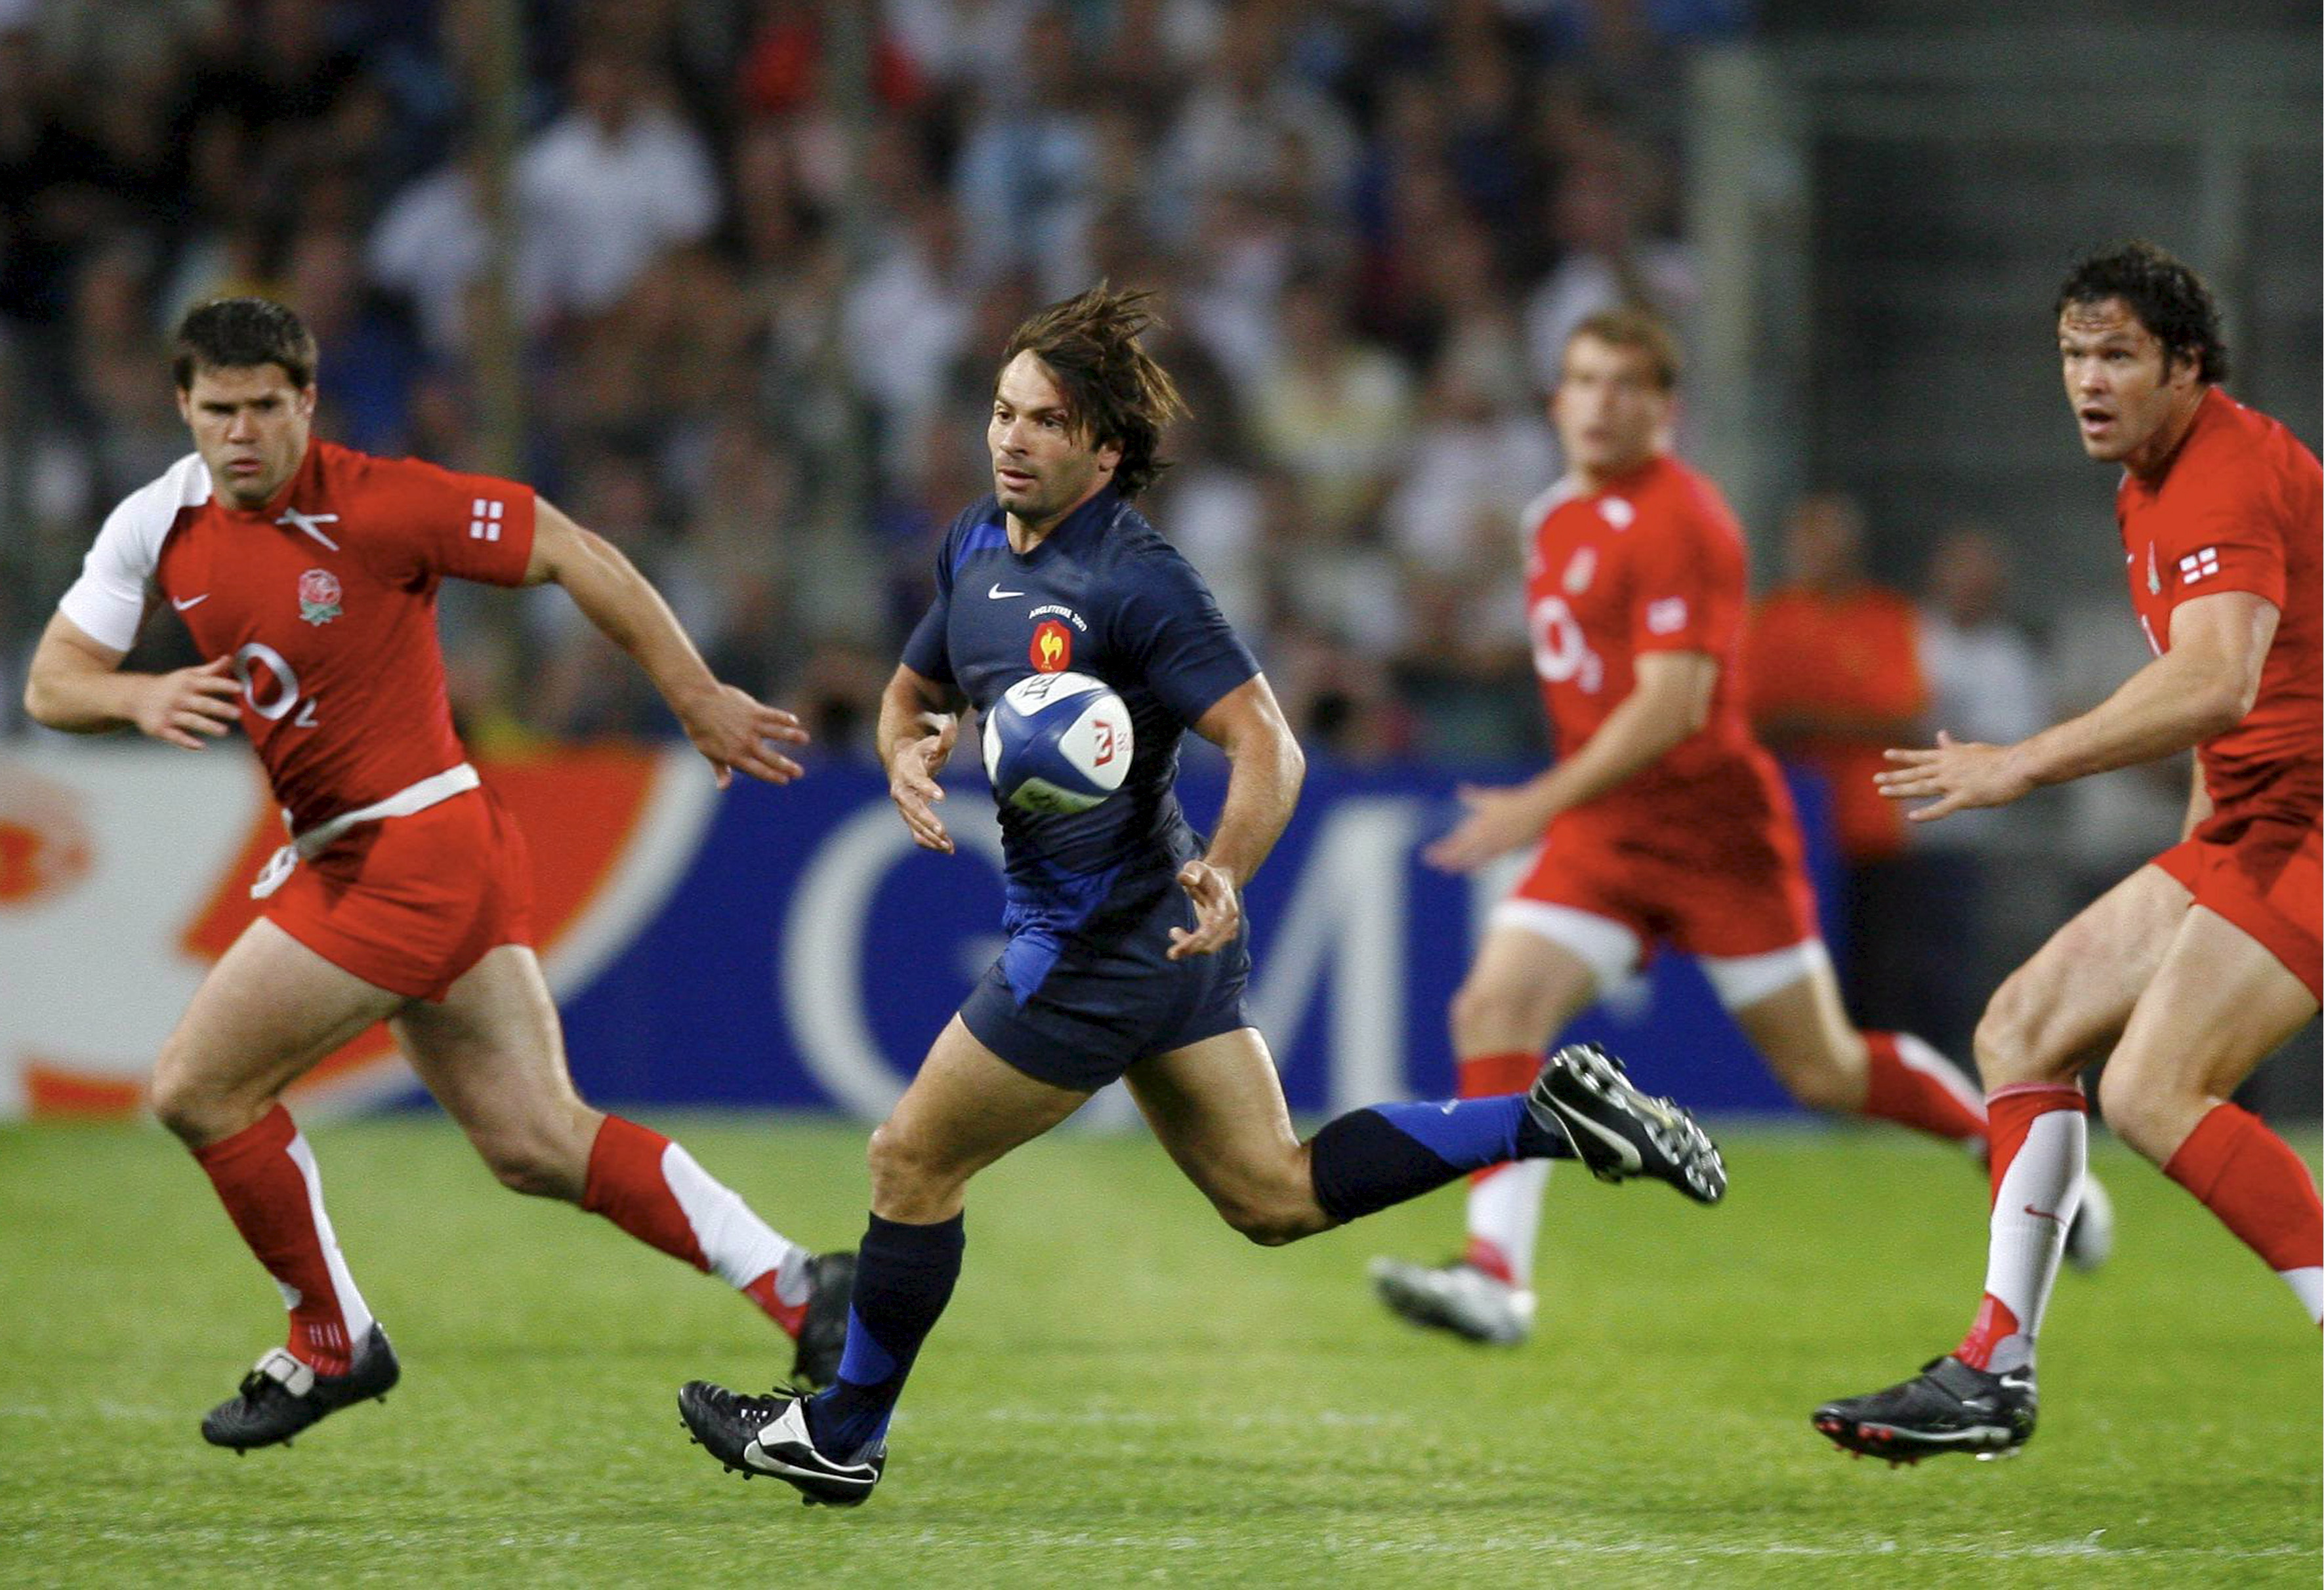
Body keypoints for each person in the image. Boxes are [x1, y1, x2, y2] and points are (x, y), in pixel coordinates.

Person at [674, 285, 1728, 1509]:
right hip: (1147, 940)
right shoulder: (973, 545)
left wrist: (1225, 867)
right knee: (1273, 1194)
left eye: (1046, 421)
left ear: (1104, 452)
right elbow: (915, 690)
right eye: (1003, 412)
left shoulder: (1138, 581)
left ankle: (843, 1433)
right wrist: (907, 750)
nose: (1012, 438)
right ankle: (1546, 1119)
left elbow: (1268, 742)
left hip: (1101, 939)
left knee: (908, 1159)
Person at [21, 298, 853, 1452]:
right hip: (369, 853)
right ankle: (802, 1285)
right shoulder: (156, 522)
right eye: (219, 410)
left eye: (266, 406)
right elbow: (52, 684)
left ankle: (332, 1342)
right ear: (185, 408)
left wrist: (695, 695)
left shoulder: (380, 503)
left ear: (308, 402)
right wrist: (138, 693)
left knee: (198, 1089)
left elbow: (569, 548)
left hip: (414, 850)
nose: (243, 433)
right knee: (536, 1142)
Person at [1369, 308, 2106, 1349]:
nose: (1600, 403)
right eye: (1583, 381)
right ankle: (1495, 1275)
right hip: (1605, 835)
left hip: (1715, 839)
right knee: (1493, 1006)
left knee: (1824, 1072)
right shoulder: (1551, 518)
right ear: (1556, 400)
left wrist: (1540, 799)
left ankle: (2003, 1148)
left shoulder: (1687, 521)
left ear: (1664, 409)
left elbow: (1672, 706)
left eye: (1625, 385)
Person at [1814, 241, 2321, 1463]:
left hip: (2310, 821)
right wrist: (2198, 849)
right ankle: (1993, 1369)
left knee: (2151, 1090)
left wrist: (2021, 763)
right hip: (2256, 818)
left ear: (2185, 365)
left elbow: (2214, 679)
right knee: (2020, 1029)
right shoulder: (2152, 481)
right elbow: (2230, 692)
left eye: (2117, 356)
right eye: (2072, 355)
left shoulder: (2224, 473)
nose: (2088, 381)